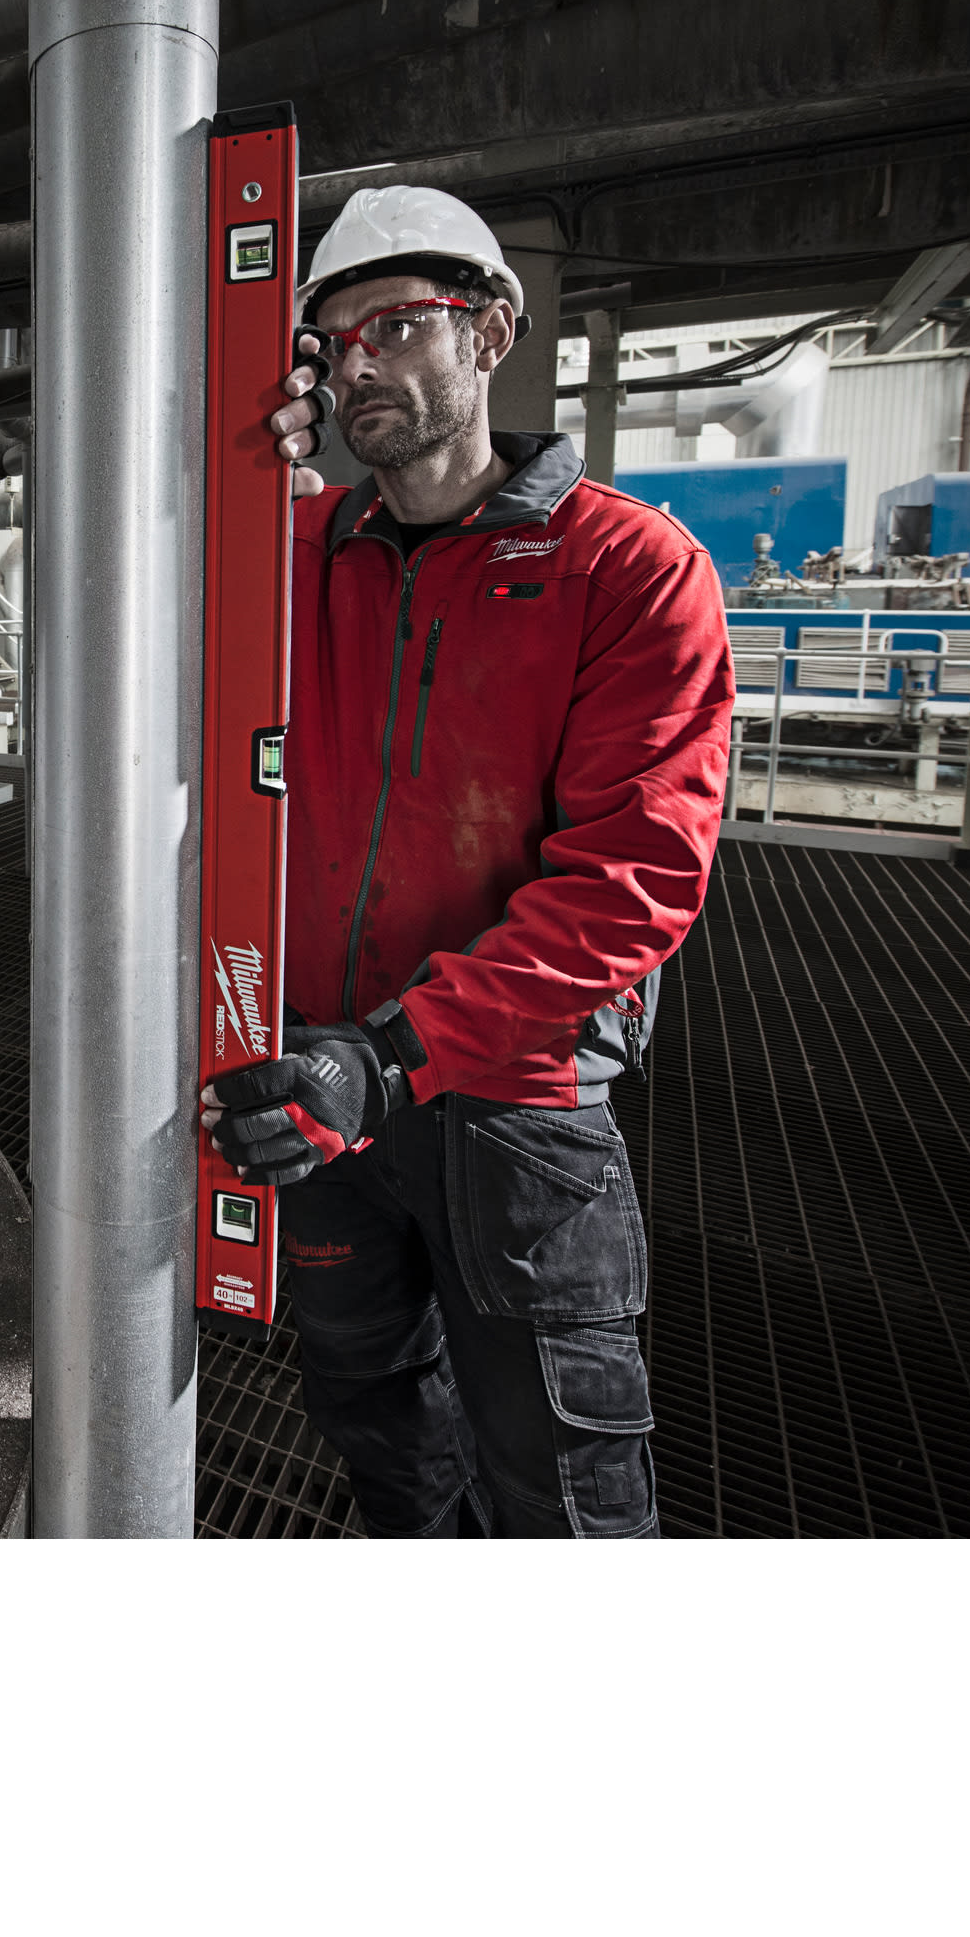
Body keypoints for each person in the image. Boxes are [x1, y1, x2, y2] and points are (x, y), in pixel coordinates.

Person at [199, 185, 733, 1538]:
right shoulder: (293, 556)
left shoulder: (629, 567)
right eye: (333, 343)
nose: (359, 365)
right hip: (323, 1099)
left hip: (515, 1103)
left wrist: (391, 1054)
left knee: (563, 1488)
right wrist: (230, 465)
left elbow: (634, 877)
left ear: (491, 333)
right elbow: (147, 609)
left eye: (398, 326)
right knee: (380, 1432)